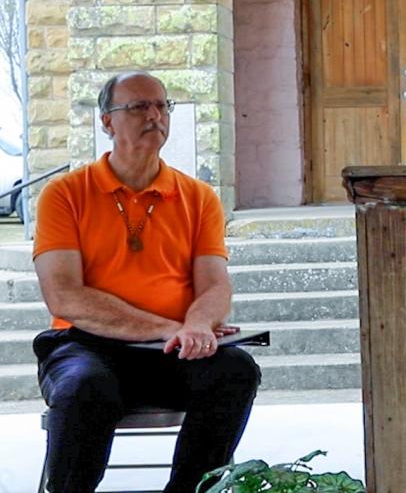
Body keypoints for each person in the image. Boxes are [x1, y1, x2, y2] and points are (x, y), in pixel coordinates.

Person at [32, 72, 261, 493]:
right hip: (85, 346)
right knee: (86, 387)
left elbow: (215, 286)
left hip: (172, 351)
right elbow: (64, 296)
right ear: (107, 122)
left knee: (236, 370)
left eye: (161, 106)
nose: (154, 115)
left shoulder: (198, 197)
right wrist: (167, 326)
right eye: (139, 107)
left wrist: (196, 326)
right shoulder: (64, 194)